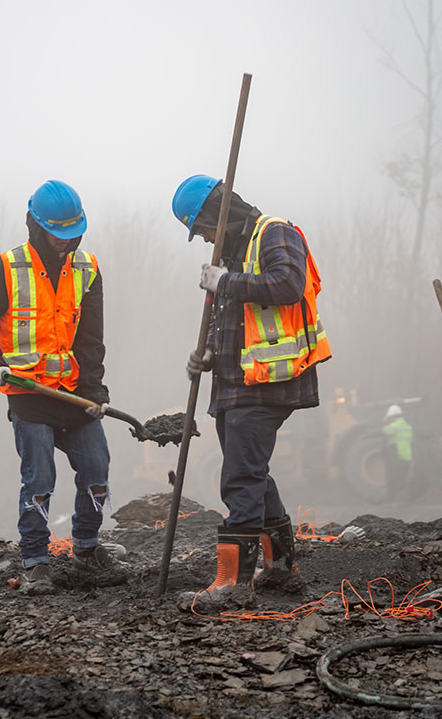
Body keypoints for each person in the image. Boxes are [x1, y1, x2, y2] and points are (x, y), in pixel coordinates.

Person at [172, 174, 331, 608]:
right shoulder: (234, 253)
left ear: (216, 215)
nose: (204, 238)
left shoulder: (273, 232)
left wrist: (224, 281)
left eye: (202, 229)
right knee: (251, 471)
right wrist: (204, 354)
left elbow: (287, 286)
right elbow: (231, 322)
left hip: (266, 383)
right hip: (235, 384)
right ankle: (280, 570)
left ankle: (232, 585)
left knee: (240, 476)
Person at [0, 180, 124, 592]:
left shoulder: (87, 268)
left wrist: (95, 391)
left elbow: (90, 338)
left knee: (97, 468)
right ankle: (35, 560)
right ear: (37, 226)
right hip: (27, 394)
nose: (65, 243)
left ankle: (86, 547)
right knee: (39, 478)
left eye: (72, 234)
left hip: (72, 392)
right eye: (57, 234)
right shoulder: (8, 267)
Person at [382, 404, 413, 502]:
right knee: (403, 479)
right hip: (407, 456)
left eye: (390, 417)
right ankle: (404, 500)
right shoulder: (407, 425)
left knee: (397, 479)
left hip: (398, 456)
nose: (390, 419)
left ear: (393, 416)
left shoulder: (396, 425)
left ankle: (400, 502)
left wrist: (384, 421)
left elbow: (384, 431)